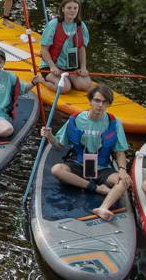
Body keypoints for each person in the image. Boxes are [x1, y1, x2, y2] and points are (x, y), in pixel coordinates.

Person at [40, 84, 132, 221]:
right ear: (90, 101)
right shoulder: (76, 119)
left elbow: (119, 152)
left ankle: (103, 207)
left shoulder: (114, 122)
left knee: (124, 182)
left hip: (102, 166)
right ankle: (95, 188)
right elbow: (59, 145)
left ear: (108, 104)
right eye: (97, 100)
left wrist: (123, 170)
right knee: (57, 170)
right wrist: (50, 137)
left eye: (104, 102)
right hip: (79, 162)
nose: (100, 105)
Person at [37, 0, 92, 93]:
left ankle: (70, 79)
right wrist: (52, 66)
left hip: (71, 66)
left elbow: (81, 49)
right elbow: (44, 50)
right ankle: (42, 81)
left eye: (75, 8)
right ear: (63, 9)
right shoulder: (53, 24)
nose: (72, 11)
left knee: (86, 85)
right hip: (51, 66)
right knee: (65, 88)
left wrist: (83, 67)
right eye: (69, 8)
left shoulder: (80, 25)